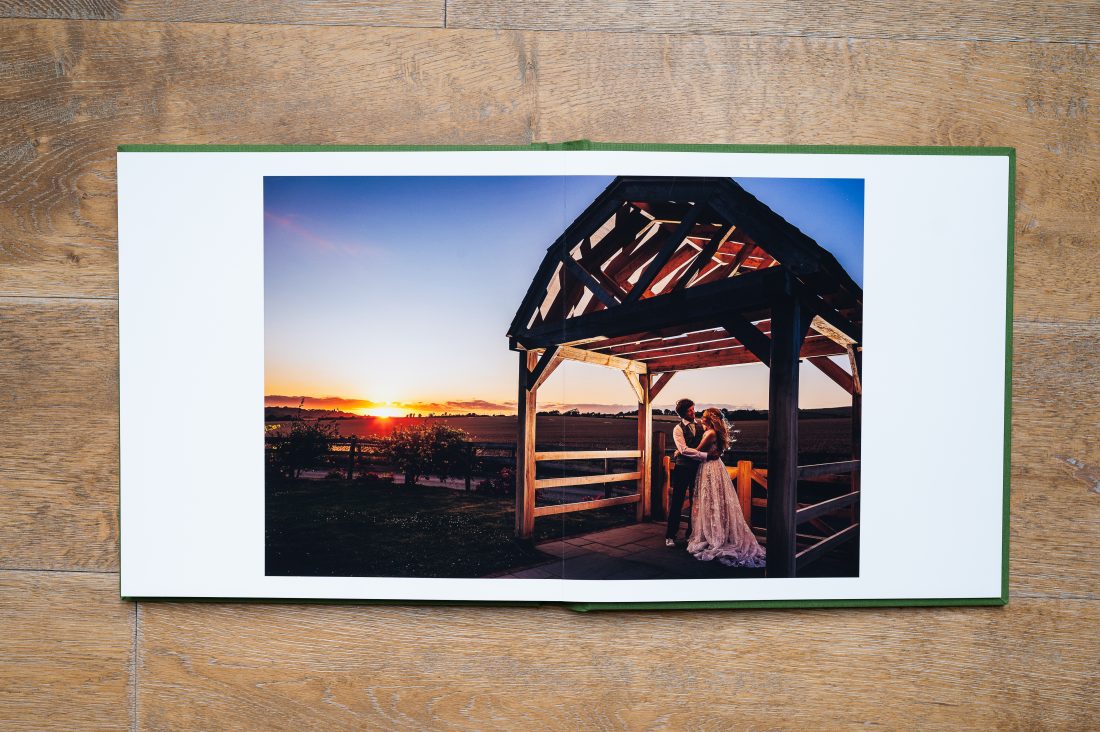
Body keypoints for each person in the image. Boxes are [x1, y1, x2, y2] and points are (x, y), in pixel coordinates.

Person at [686, 407, 766, 568]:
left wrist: (680, 451)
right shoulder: (715, 433)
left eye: (704, 417)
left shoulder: (709, 434)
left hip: (709, 468)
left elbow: (697, 452)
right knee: (717, 500)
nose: (701, 419)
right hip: (717, 467)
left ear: (710, 420)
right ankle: (719, 531)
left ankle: (715, 535)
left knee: (711, 500)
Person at [665, 398, 716, 547]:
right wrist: (705, 455)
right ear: (682, 413)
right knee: (677, 501)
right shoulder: (678, 429)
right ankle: (670, 535)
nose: (693, 412)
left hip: (698, 468)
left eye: (693, 408)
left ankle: (691, 534)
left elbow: (711, 440)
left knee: (696, 502)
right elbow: (684, 450)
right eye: (689, 410)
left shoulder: (701, 425)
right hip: (682, 468)